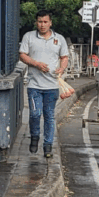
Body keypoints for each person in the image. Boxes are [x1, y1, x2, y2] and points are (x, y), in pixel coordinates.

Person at [19, 12, 69, 158]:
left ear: (50, 23)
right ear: (36, 23)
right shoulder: (29, 36)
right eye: (40, 22)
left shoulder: (59, 39)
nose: (42, 25)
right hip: (34, 85)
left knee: (49, 116)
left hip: (52, 85)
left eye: (45, 22)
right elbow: (22, 55)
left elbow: (64, 57)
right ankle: (34, 136)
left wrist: (62, 67)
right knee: (35, 114)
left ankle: (48, 145)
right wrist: (36, 64)